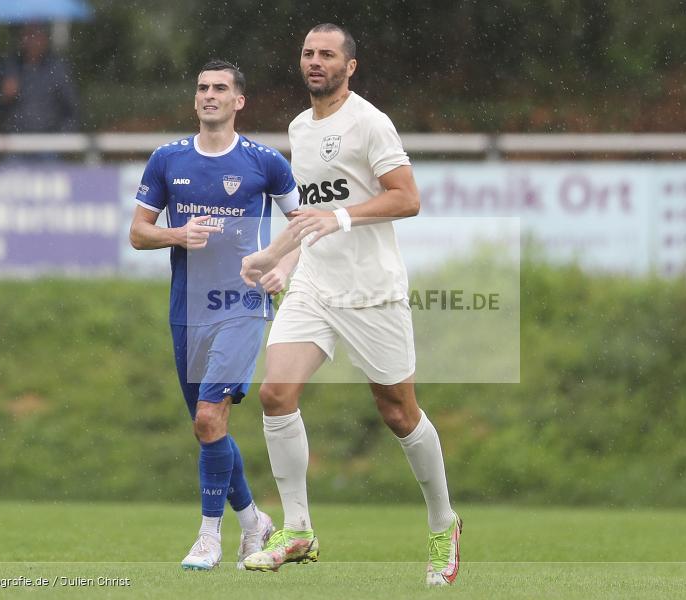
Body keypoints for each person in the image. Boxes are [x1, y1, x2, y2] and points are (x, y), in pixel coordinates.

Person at [239, 24, 462, 586]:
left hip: (371, 289)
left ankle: (443, 523)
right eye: (309, 53)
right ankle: (299, 530)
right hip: (316, 283)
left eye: (328, 55)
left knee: (397, 411)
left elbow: (407, 198)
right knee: (275, 392)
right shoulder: (299, 127)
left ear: (350, 66)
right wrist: (274, 257)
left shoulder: (369, 122)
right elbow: (309, 213)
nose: (315, 62)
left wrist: (340, 218)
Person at [129, 60, 301, 571]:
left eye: (220, 88)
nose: (209, 95)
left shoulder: (266, 162)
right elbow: (138, 232)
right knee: (209, 429)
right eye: (203, 88)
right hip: (187, 309)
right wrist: (177, 235)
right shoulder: (167, 159)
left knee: (209, 416)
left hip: (243, 305)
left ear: (238, 101)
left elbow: (302, 227)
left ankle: (209, 537)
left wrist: (282, 267)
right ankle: (254, 523)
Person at [0, 24, 80, 135]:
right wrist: (4, 97)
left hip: (49, 142)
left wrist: (64, 136)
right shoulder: (9, 67)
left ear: (45, 39)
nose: (30, 41)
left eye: (34, 35)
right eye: (26, 35)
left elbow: (71, 107)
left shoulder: (57, 69)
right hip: (14, 141)